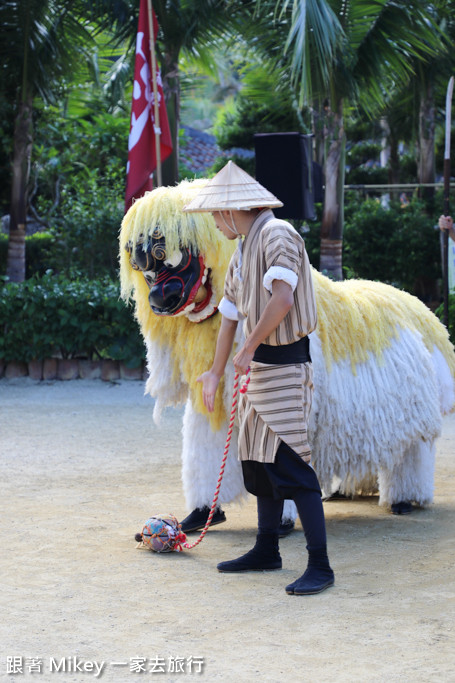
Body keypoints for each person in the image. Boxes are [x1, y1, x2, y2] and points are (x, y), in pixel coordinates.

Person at [183, 160, 334, 596]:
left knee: (292, 463)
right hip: (256, 370)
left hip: (284, 366)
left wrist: (248, 350)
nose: (213, 222)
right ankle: (267, 549)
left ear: (233, 209)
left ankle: (321, 565)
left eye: (215, 213)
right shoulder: (245, 246)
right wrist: (214, 372)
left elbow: (283, 299)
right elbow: (229, 315)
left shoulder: (277, 234)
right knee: (260, 463)